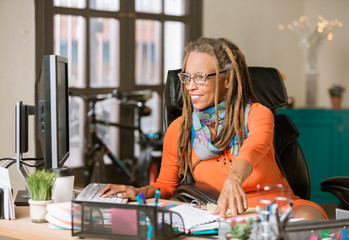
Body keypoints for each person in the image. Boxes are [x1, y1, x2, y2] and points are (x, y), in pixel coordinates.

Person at [100, 37, 327, 220]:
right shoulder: (180, 129)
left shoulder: (257, 113)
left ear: (227, 79)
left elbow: (256, 146)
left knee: (309, 221)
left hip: (279, 207)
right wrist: (139, 192)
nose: (190, 86)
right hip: (224, 216)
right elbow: (166, 186)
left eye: (200, 77)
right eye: (187, 77)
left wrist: (234, 179)